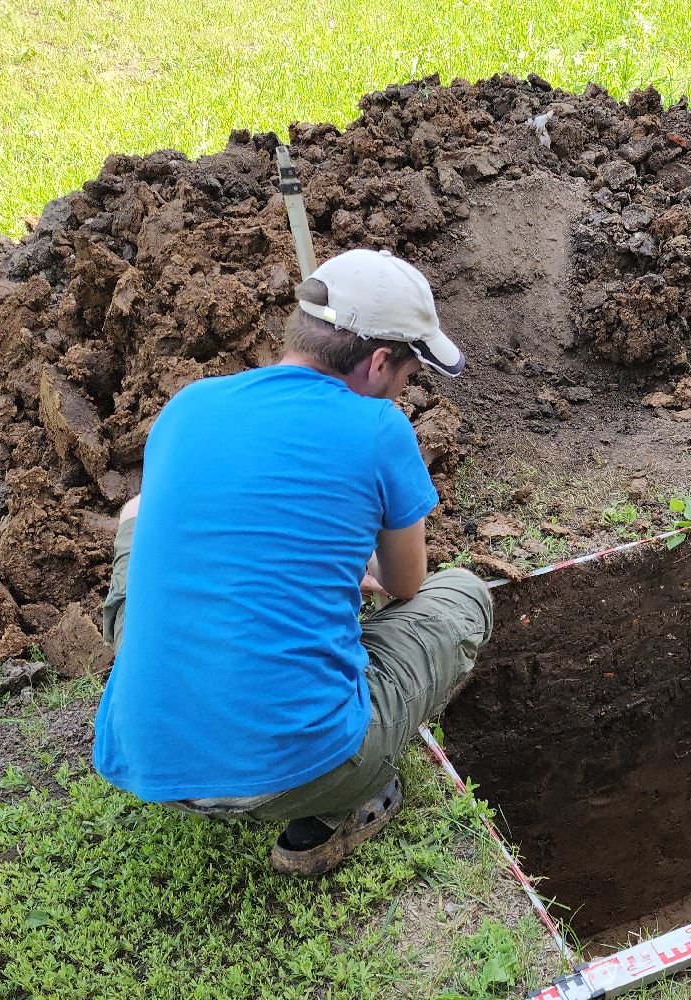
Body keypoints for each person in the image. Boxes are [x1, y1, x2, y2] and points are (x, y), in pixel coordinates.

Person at [92, 248, 494, 875]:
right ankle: (339, 804)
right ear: (379, 361)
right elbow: (406, 584)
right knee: (462, 594)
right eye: (408, 376)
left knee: (140, 515)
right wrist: (355, 569)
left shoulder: (188, 408)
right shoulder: (380, 428)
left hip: (147, 759)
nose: (403, 392)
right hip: (294, 773)